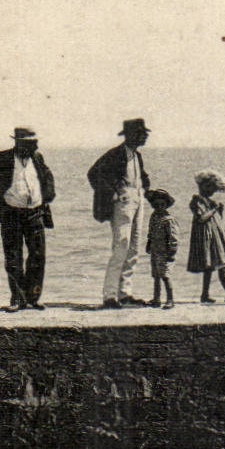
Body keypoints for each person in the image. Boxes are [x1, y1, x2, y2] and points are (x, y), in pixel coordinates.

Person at [0, 126, 55, 311]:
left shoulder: (38, 158)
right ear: (19, 143)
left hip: (35, 213)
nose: (36, 146)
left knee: (38, 256)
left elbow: (48, 177)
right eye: (31, 143)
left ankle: (33, 297)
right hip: (11, 214)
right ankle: (17, 299)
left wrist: (47, 196)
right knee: (13, 257)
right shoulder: (2, 158)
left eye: (36, 142)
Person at [87, 117, 152, 308]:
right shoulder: (115, 154)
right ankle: (110, 296)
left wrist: (146, 190)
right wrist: (114, 192)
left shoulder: (136, 155)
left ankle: (125, 293)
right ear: (131, 135)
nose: (145, 137)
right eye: (141, 134)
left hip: (137, 200)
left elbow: (142, 177)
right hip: (123, 203)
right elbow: (93, 174)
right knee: (121, 247)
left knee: (133, 248)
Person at [187, 170, 225, 304]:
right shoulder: (196, 201)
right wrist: (214, 210)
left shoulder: (209, 202)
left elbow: (215, 220)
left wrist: (219, 211)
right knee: (213, 265)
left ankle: (215, 294)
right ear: (203, 186)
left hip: (213, 236)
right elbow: (201, 218)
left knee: (217, 264)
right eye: (211, 187)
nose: (213, 191)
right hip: (206, 237)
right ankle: (223, 293)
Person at [144, 188, 179, 309]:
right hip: (155, 250)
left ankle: (170, 299)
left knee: (165, 275)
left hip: (165, 252)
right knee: (156, 276)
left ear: (167, 205)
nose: (159, 207)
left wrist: (172, 252)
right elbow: (150, 232)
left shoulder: (169, 220)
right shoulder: (153, 217)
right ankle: (157, 299)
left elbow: (173, 238)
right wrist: (148, 243)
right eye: (156, 205)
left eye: (162, 204)